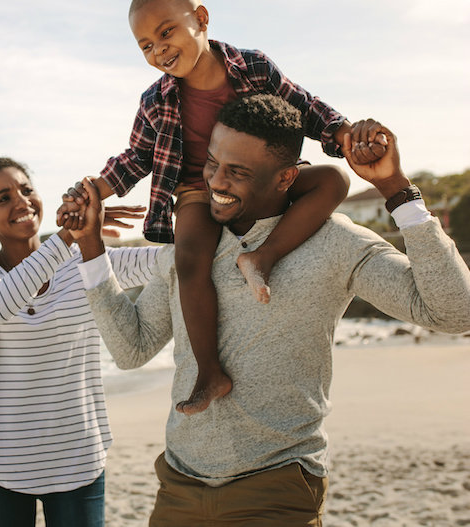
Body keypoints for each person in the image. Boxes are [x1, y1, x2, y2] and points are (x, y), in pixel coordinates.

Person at [69, 94, 470, 526]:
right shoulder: (191, 248)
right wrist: (92, 246)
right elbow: (133, 349)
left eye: (237, 172)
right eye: (212, 163)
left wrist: (396, 190)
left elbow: (454, 313)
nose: (215, 183)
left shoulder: (334, 242)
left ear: (285, 178)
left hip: (276, 491)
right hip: (179, 489)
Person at [57, 0, 387, 415]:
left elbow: (305, 107)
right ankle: (210, 373)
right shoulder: (155, 100)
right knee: (189, 259)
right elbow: (136, 157)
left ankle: (262, 258)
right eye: (145, 46)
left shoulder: (253, 68)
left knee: (333, 182)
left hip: (261, 180)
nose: (159, 51)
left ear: (200, 19)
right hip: (198, 188)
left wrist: (345, 134)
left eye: (166, 32)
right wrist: (93, 189)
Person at [0, 147, 160, 527]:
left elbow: (168, 263)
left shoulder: (86, 260)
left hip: (79, 459)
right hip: (3, 462)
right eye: (4, 198)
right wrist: (68, 237)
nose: (21, 201)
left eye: (26, 190)